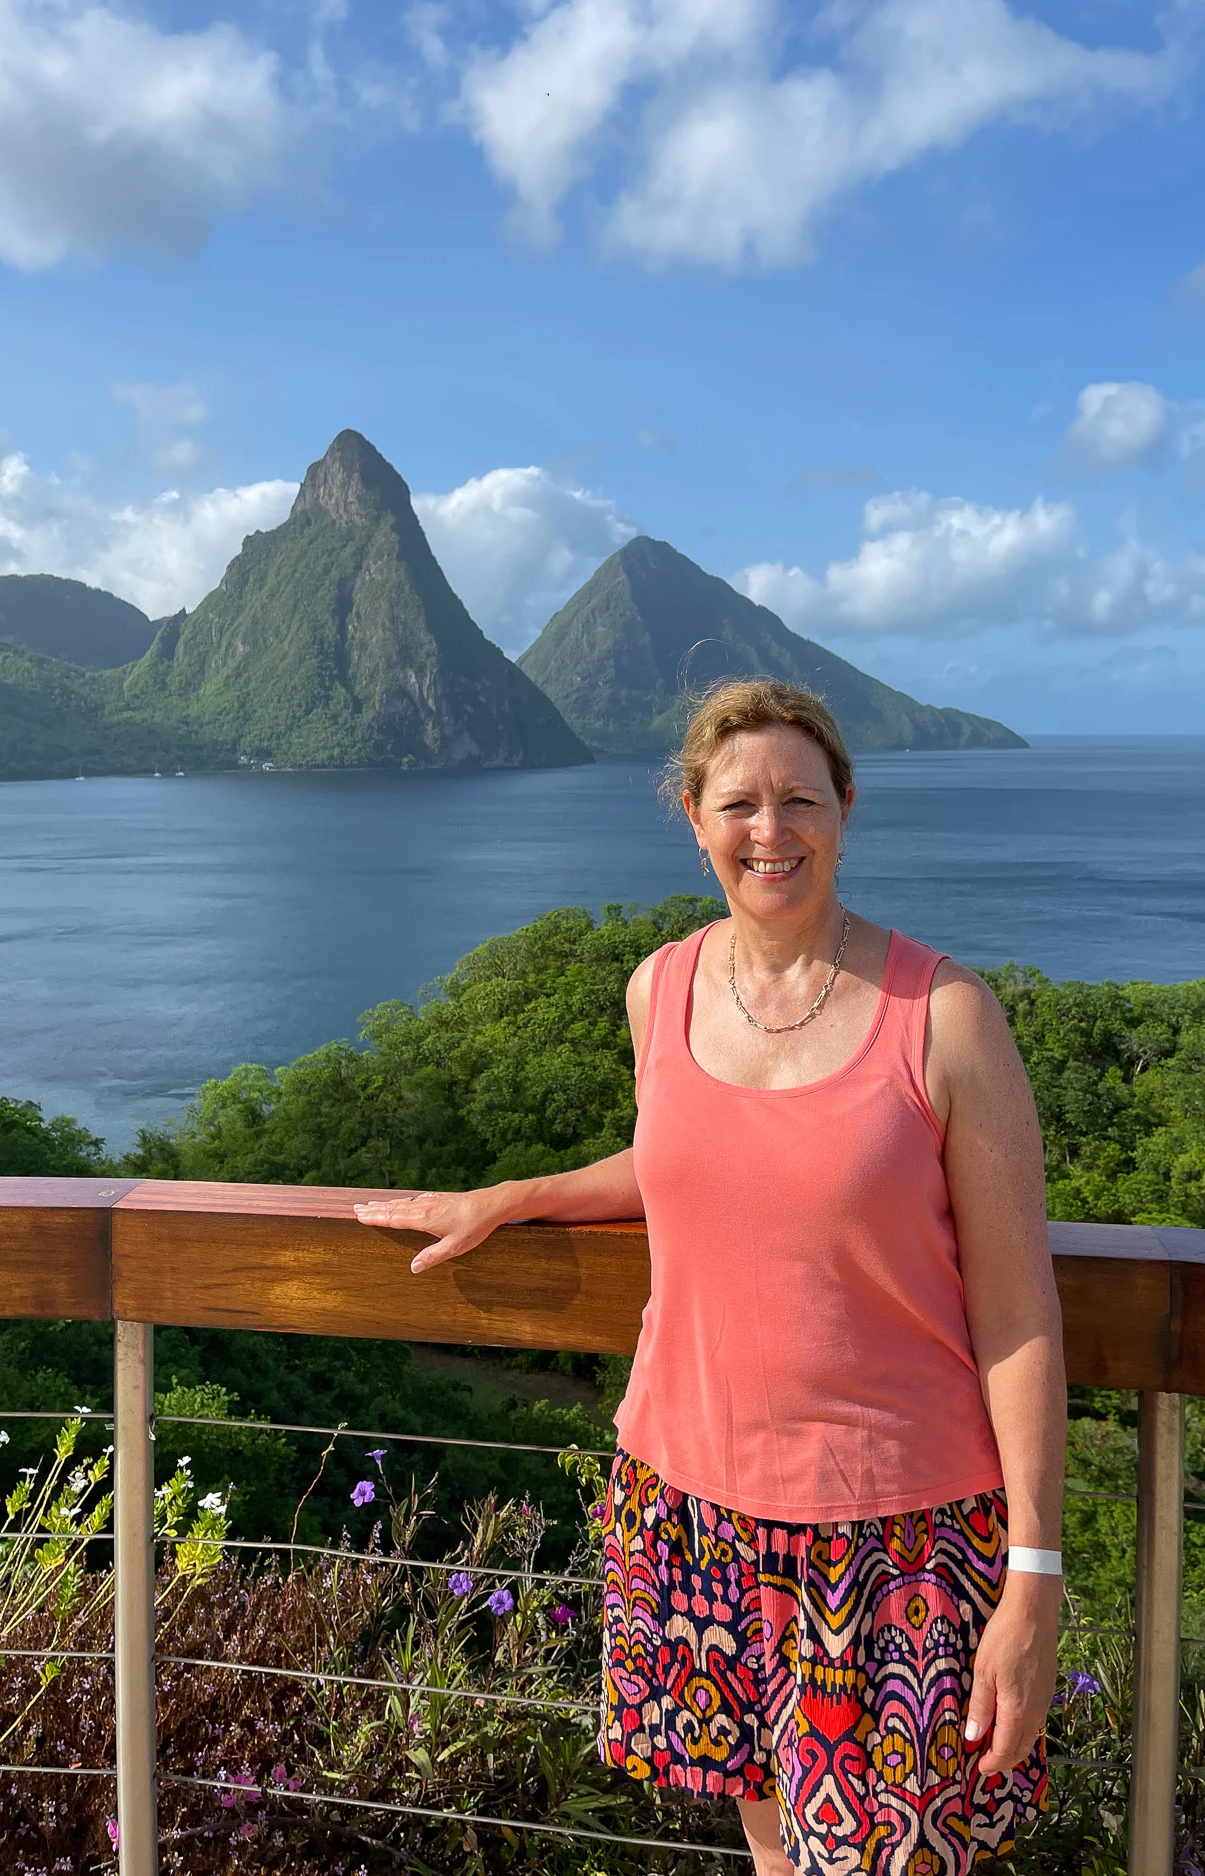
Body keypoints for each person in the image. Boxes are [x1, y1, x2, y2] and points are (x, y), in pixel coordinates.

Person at [352, 678, 1065, 1876]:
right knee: (770, 1844)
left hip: (888, 1533)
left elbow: (1017, 1310)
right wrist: (518, 1196)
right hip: (686, 1501)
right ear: (692, 815)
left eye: (799, 798)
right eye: (738, 802)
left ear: (846, 808)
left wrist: (1034, 1570)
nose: (769, 829)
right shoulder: (659, 988)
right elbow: (695, 1153)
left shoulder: (943, 1017)